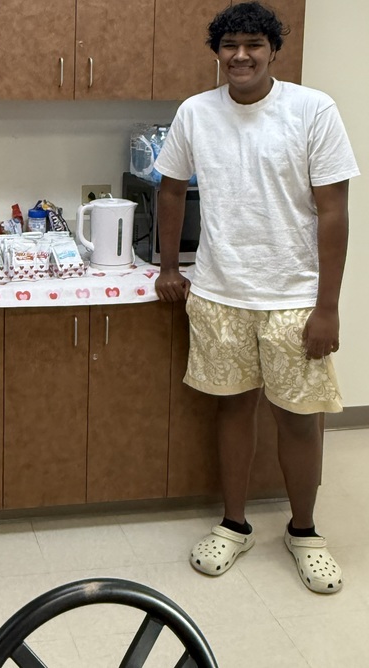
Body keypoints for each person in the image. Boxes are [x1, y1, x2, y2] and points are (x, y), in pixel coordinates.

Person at [154, 2, 359, 594]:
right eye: (229, 46)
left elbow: (334, 211)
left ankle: (304, 532)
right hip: (220, 292)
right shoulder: (196, 111)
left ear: (274, 50)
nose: (240, 55)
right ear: (217, 52)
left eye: (253, 44)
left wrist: (327, 306)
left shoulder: (312, 110)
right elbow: (170, 190)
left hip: (294, 297)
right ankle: (234, 523)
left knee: (300, 421)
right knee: (233, 410)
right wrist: (170, 267)